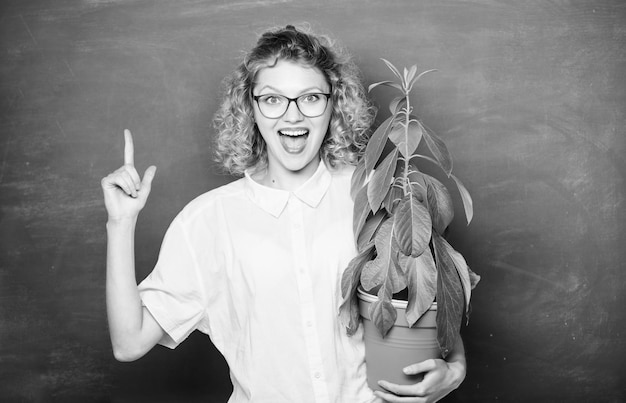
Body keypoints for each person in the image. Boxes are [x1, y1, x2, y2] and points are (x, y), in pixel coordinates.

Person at [101, 24, 467, 403]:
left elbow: (430, 299)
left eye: (310, 98)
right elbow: (129, 343)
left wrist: (454, 370)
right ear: (250, 107)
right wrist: (120, 222)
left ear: (334, 104)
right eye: (273, 99)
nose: (293, 116)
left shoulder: (375, 191)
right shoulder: (208, 221)